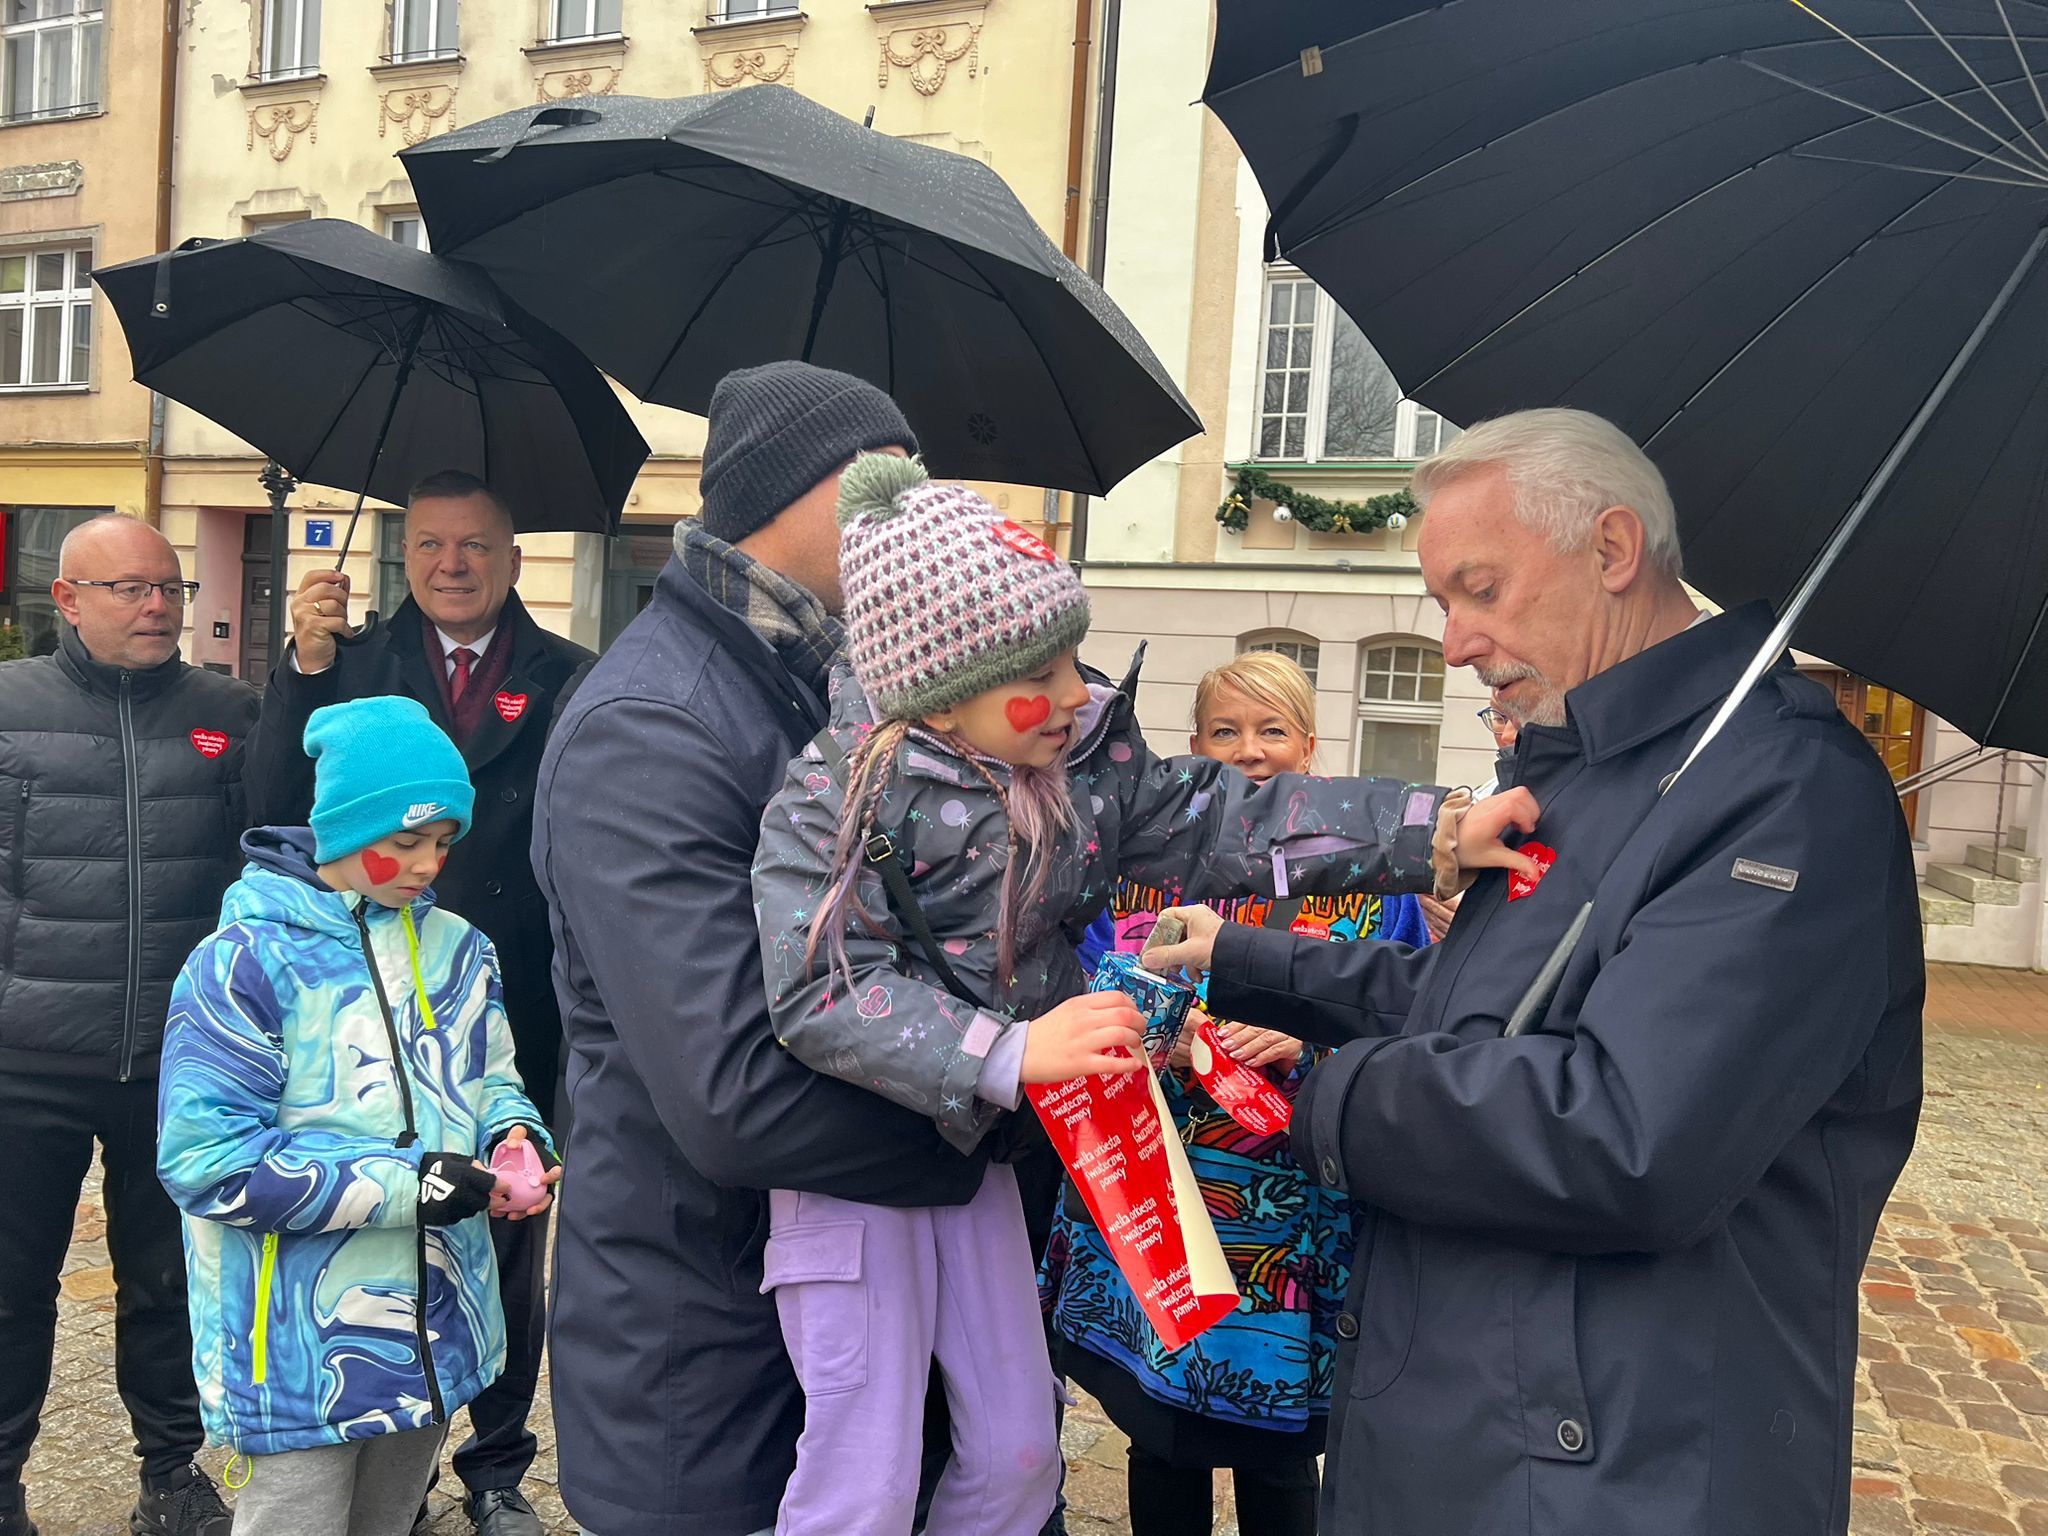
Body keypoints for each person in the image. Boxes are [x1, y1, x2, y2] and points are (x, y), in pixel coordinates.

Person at [1145, 408, 1923, 1536]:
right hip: (1480, 1421)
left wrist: (1324, 1101)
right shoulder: (1590, 763)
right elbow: (1484, 1014)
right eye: (1443, 602)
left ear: (1610, 551)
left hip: (1608, 1461)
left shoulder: (1781, 790)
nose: (1454, 640)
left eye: (1479, 590)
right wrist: (1246, 962)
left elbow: (1627, 1136)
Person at [748, 455, 1532, 1536]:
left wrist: (1434, 832)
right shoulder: (835, 802)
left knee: (1024, 1451)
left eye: (1074, 658)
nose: (1076, 692)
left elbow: (1226, 823)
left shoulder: (1078, 763)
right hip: (849, 1170)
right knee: (866, 1472)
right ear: (938, 686)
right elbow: (816, 988)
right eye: (1042, 669)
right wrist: (1006, 1053)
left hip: (974, 1163)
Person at [533, 361, 975, 1536]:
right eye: (899, 486)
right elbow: (728, 1094)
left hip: (822, 1316)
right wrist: (994, 1107)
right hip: (708, 1349)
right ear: (813, 493)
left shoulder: (822, 681)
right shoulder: (654, 723)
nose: (920, 516)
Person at [244, 470, 587, 1536]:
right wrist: (302, 670)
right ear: (405, 555)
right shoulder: (344, 665)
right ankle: (379, 1447)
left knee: (504, 1238)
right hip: (361, 1006)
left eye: (476, 545)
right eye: (432, 544)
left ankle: (494, 1463)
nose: (452, 563)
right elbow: (266, 808)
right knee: (375, 1230)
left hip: (506, 999)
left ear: (512, 559)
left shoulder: (570, 676)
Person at [1044, 650, 1430, 1536]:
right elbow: (1085, 975)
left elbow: (1410, 1003)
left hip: (1290, 1217)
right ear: (1192, 746)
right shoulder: (1148, 865)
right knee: (1157, 1424)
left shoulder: (1370, 879)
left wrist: (1311, 1028)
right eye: (1226, 730)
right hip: (1167, 1200)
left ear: (1309, 748)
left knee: (1280, 1449)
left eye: (1272, 731)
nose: (1250, 750)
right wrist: (1155, 1029)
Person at [158, 696, 559, 1536]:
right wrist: (410, 1186)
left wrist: (512, 1137)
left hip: (437, 1321)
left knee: (390, 1519)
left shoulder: (460, 947)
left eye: (443, 843)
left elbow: (494, 1079)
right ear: (340, 828)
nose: (426, 865)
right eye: (405, 840)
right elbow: (205, 1160)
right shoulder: (242, 965)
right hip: (296, 1342)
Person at [0, 514, 254, 1536]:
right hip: (24, 1061)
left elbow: (258, 872)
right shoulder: (9, 710)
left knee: (172, 1285)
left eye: (170, 589)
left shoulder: (231, 713)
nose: (157, 607)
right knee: (12, 1289)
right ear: (66, 599)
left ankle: (173, 1473)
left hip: (177, 1062)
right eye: (130, 589)